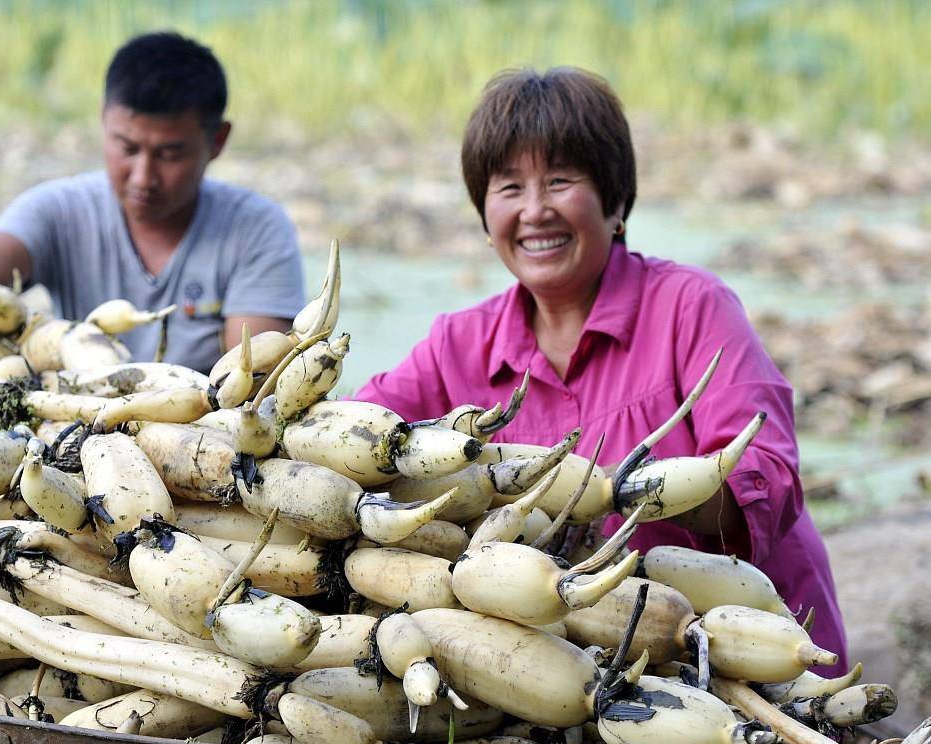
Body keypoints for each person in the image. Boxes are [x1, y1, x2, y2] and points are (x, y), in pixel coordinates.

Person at [354, 67, 848, 672]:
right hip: (575, 666)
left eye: (560, 181)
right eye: (509, 188)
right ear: (485, 217)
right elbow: (361, 436)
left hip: (746, 654)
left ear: (615, 201)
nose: (534, 212)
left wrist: (615, 494)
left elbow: (765, 478)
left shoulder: (691, 308)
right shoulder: (456, 346)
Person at [0, 31, 305, 375]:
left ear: (217, 141)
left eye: (169, 154)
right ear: (103, 120)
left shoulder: (257, 230)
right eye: (126, 147)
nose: (143, 176)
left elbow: (253, 381)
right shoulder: (58, 211)